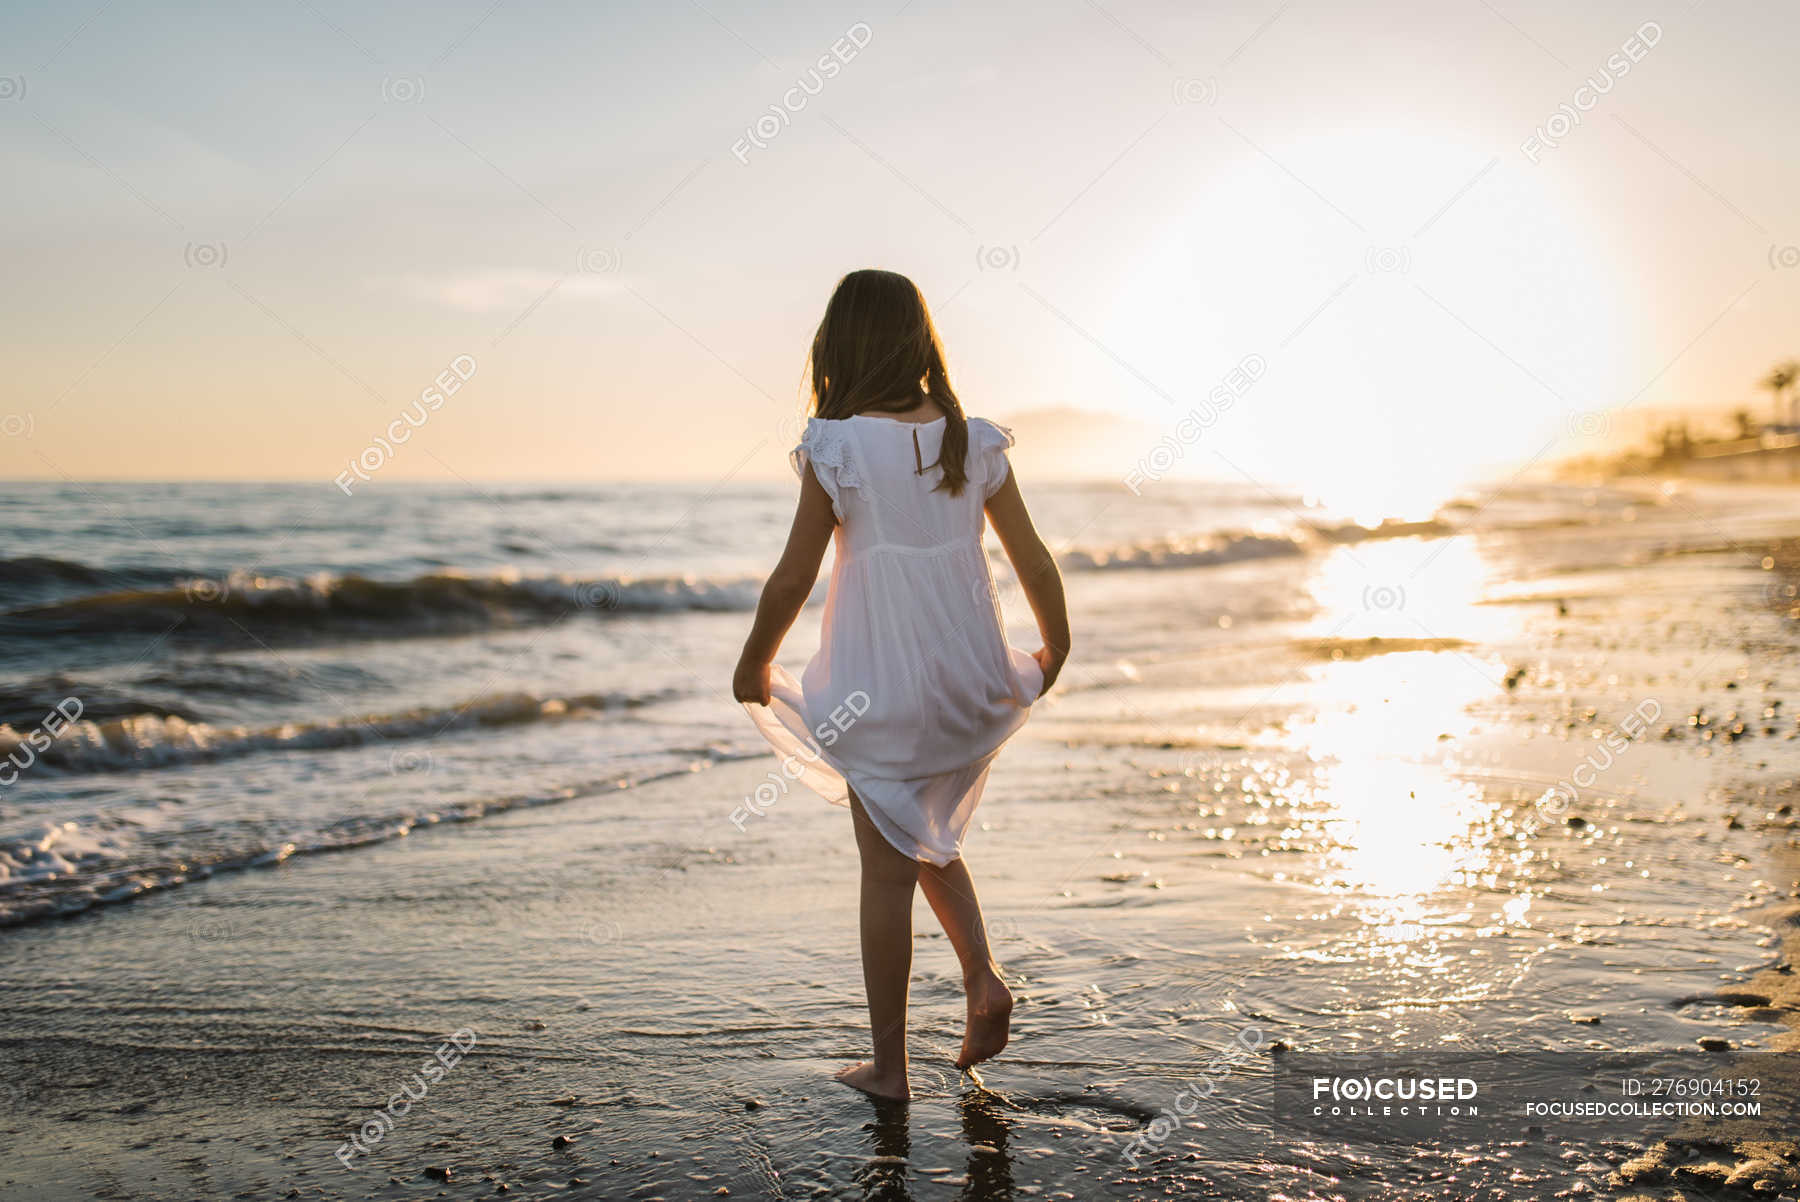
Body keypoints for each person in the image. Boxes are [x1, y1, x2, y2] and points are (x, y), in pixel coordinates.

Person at [732, 268, 1071, 1101]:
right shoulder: (972, 438)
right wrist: (1054, 649)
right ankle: (983, 980)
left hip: (879, 685)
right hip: (970, 679)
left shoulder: (835, 443)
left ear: (838, 344)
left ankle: (890, 1071)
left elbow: (790, 579)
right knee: (915, 829)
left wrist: (754, 659)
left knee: (884, 868)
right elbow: (1031, 557)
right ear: (920, 340)